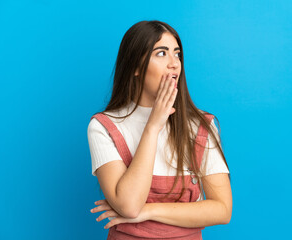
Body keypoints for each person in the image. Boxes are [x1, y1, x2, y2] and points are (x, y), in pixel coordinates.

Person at [87, 20, 232, 240]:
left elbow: (222, 210)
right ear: (135, 66)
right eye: (161, 53)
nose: (174, 63)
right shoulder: (103, 126)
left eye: (177, 53)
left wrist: (149, 211)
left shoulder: (201, 125)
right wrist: (153, 125)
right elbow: (129, 206)